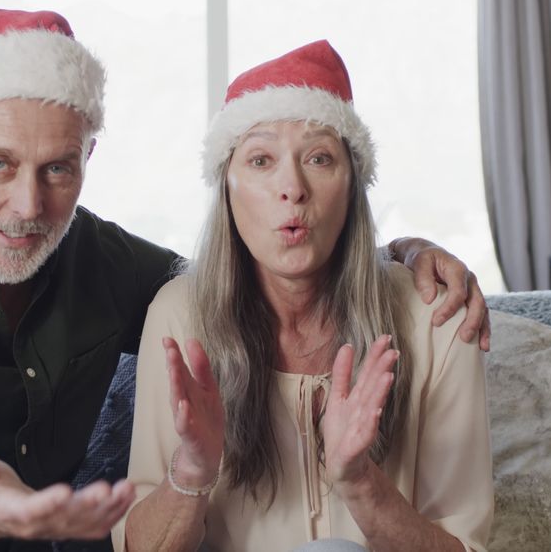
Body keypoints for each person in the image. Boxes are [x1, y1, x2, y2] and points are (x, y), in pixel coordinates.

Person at [0, 9, 490, 552]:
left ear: (86, 159)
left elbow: (258, 268)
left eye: (58, 169)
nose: (30, 206)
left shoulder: (105, 264)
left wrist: (395, 249)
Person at [114, 41, 494, 551]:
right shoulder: (179, 315)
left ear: (353, 186)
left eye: (319, 158)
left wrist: (360, 481)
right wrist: (194, 469)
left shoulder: (436, 317)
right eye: (260, 159)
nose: (291, 187)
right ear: (227, 188)